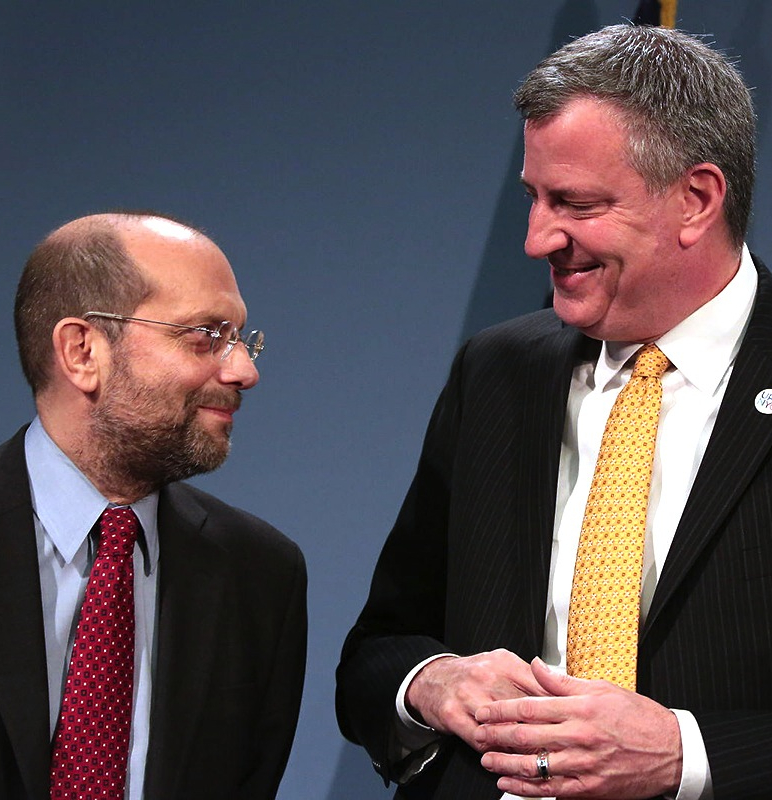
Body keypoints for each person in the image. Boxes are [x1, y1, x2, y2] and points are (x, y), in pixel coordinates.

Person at [336, 24, 771, 800]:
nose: (539, 239)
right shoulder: (499, 372)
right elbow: (376, 653)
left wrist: (688, 754)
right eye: (535, 198)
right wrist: (432, 682)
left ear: (696, 200)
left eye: (575, 202)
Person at [1, 212, 307, 799]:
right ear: (82, 351)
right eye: (206, 335)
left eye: (243, 338)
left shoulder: (261, 576)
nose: (244, 369)